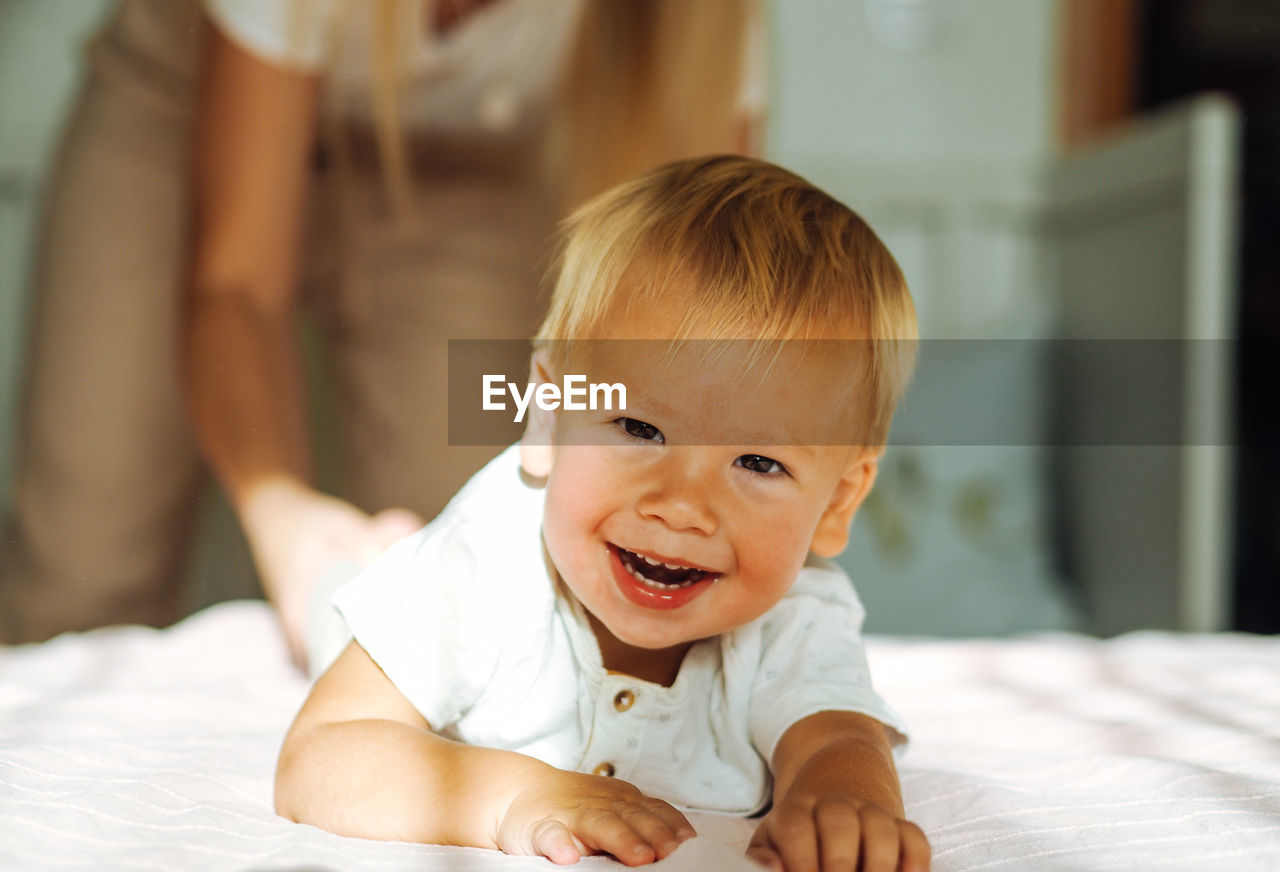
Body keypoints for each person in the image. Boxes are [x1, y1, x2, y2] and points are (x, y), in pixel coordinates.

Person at [0, 0, 761, 662]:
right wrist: (284, 517)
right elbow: (238, 286)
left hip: (451, 168)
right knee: (85, 561)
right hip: (176, 114)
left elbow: (698, 343)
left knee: (480, 561)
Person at [274, 156, 930, 872]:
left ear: (837, 502)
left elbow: (838, 744)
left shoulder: (797, 613)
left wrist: (842, 804)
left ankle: (382, 545)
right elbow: (322, 751)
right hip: (403, 586)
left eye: (758, 463)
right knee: (330, 605)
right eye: (639, 429)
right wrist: (515, 795)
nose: (682, 508)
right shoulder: (486, 557)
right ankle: (347, 555)